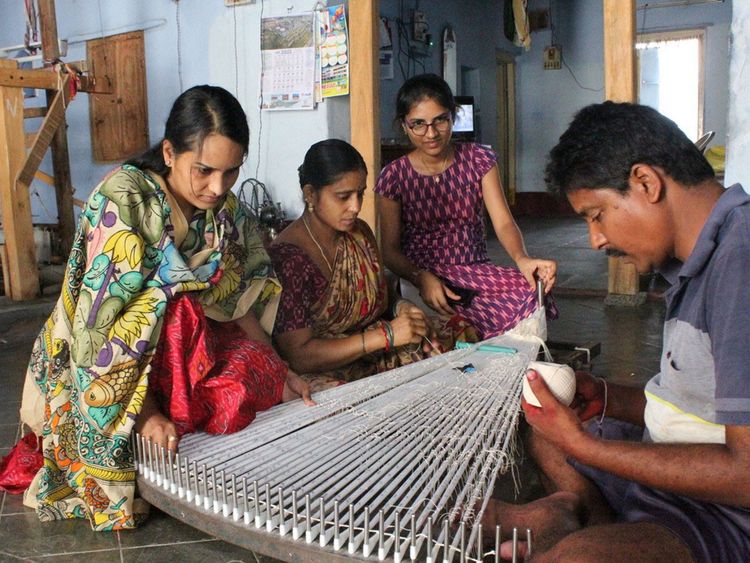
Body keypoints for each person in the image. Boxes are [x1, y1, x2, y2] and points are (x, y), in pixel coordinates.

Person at [4, 85, 312, 531]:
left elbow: (240, 296)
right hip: (107, 364)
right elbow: (102, 325)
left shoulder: (224, 212)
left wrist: (279, 369)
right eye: (204, 170)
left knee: (252, 372)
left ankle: (180, 411)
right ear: (169, 152)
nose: (217, 187)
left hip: (177, 354)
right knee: (178, 302)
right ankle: (154, 417)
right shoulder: (124, 200)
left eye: (231, 172)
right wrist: (146, 414)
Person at [483, 102, 750, 562]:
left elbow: (746, 476)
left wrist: (583, 445)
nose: (596, 240)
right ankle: (575, 515)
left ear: (646, 183)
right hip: (672, 480)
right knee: (548, 431)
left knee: (574, 558)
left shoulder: (740, 264)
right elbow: (698, 406)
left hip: (720, 514)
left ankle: (583, 534)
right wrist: (606, 397)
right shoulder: (694, 262)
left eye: (596, 214)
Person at [269, 139, 475, 391]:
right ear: (311, 194)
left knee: (454, 331)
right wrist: (384, 336)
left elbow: (377, 295)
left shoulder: (359, 234)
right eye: (343, 197)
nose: (355, 207)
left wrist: (402, 307)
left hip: (372, 348)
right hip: (325, 368)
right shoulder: (288, 257)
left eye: (360, 193)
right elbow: (299, 356)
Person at [375, 73, 558, 339]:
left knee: (534, 292)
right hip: (426, 277)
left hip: (476, 271)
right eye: (418, 124)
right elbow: (389, 250)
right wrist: (420, 277)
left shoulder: (478, 160)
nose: (431, 133)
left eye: (440, 120)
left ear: (453, 115)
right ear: (404, 126)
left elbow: (503, 221)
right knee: (463, 329)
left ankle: (508, 372)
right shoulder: (393, 176)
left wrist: (522, 259)